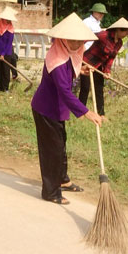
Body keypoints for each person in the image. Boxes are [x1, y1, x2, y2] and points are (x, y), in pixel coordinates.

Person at [30, 13, 102, 205]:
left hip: (56, 108)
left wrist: (81, 71)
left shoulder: (65, 53)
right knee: (51, 150)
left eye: (80, 41)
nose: (76, 45)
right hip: (46, 109)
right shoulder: (57, 59)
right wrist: (87, 113)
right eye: (72, 40)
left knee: (61, 144)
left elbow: (70, 68)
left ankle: (62, 179)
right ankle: (51, 192)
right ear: (63, 39)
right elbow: (64, 91)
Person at [78, 17, 128, 121]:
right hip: (87, 62)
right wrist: (78, 51)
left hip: (99, 66)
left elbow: (111, 58)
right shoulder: (103, 35)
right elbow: (86, 38)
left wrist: (107, 71)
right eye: (125, 32)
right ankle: (80, 113)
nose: (126, 35)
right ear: (118, 30)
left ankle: (101, 114)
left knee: (99, 89)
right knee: (85, 88)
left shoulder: (119, 43)